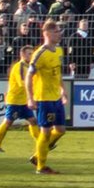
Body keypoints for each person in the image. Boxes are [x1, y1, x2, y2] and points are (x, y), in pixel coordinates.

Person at [29, 22, 72, 175]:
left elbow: (57, 73)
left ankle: (37, 156)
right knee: (46, 131)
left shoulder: (59, 50)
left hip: (56, 97)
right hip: (44, 98)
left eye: (59, 31)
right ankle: (41, 167)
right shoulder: (40, 54)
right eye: (56, 31)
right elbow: (29, 76)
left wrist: (63, 90)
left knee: (60, 130)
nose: (59, 34)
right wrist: (30, 98)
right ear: (46, 33)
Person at [0, 44, 40, 154]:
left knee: (32, 121)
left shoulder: (29, 67)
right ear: (22, 54)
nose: (31, 56)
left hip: (23, 100)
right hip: (15, 100)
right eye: (29, 54)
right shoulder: (19, 67)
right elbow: (22, 83)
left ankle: (41, 143)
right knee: (8, 122)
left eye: (32, 53)